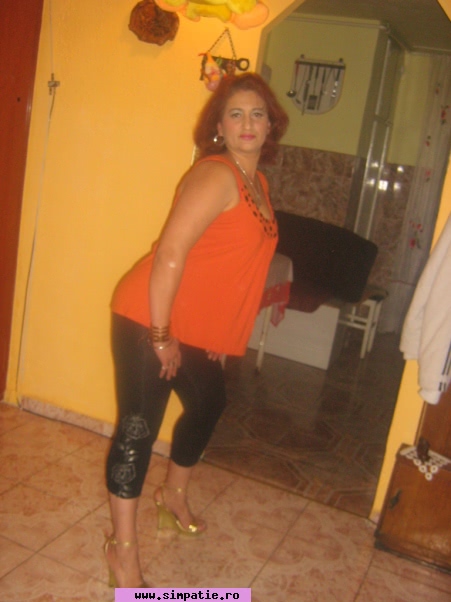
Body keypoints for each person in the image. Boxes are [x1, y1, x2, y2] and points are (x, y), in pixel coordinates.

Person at [104, 72, 289, 588]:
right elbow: (170, 254)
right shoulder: (216, 175)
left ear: (271, 125)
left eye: (257, 114)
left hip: (192, 325)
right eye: (236, 114)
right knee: (138, 431)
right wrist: (162, 335)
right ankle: (123, 553)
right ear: (219, 126)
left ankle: (174, 495)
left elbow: (231, 266)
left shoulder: (257, 183)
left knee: (209, 404)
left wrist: (219, 334)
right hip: (149, 315)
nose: (247, 123)